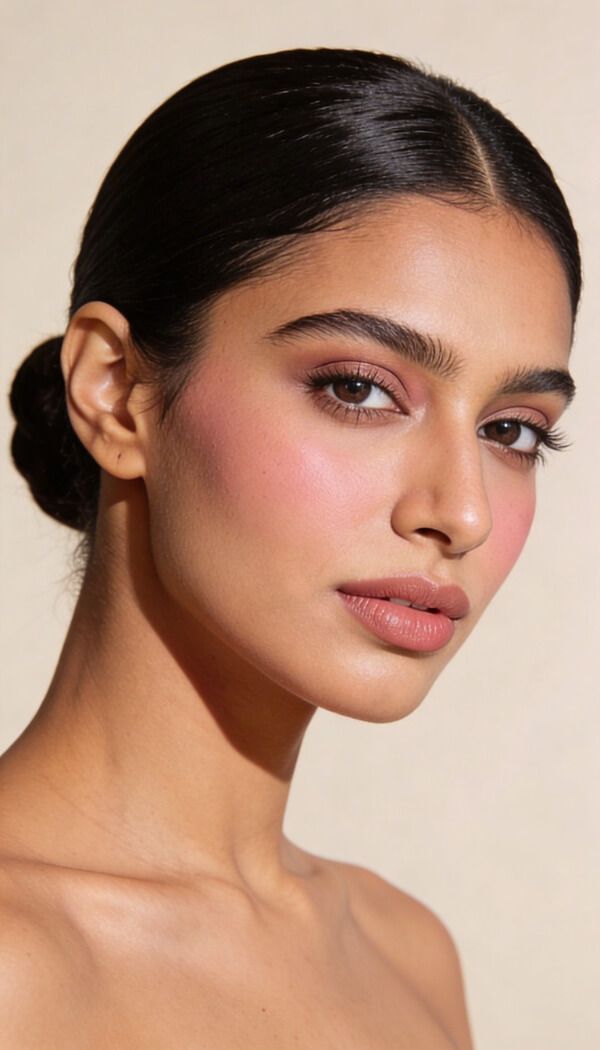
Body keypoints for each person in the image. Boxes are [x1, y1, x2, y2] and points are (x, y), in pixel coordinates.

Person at [3, 47, 578, 1048]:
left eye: (511, 429)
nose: (463, 511)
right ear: (115, 392)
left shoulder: (407, 959)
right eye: (359, 388)